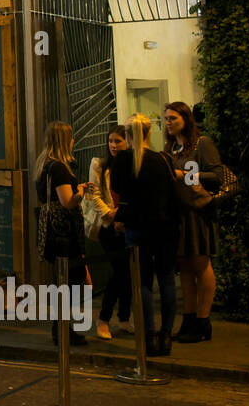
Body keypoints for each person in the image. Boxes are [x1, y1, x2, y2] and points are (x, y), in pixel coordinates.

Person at [110, 113, 178, 356]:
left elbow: (116, 190)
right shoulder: (162, 159)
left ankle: (148, 335)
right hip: (164, 227)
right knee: (167, 280)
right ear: (149, 133)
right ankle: (166, 336)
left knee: (143, 283)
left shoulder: (123, 159)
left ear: (127, 135)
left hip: (136, 228)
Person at [164, 101, 221, 343]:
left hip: (197, 213)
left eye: (173, 118)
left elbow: (218, 174)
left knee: (200, 263)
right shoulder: (170, 149)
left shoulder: (202, 143)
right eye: (166, 119)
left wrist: (189, 176)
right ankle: (188, 319)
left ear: (186, 120)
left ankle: (203, 320)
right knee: (184, 267)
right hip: (178, 213)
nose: (168, 123)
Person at [34, 120, 89, 346]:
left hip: (50, 228)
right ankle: (64, 330)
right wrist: (82, 190)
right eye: (71, 137)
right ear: (66, 140)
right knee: (70, 279)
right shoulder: (59, 167)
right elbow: (67, 202)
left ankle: (62, 328)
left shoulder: (43, 163)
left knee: (62, 280)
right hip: (63, 230)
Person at [88, 125, 133, 339]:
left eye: (118, 141)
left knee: (128, 272)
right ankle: (104, 319)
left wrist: (124, 216)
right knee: (120, 270)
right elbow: (94, 194)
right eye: (111, 141)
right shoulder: (99, 164)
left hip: (127, 225)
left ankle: (124, 318)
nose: (113, 145)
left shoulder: (133, 164)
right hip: (108, 226)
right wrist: (112, 215)